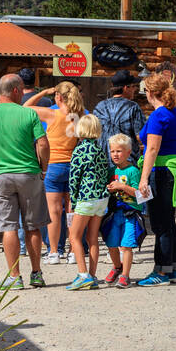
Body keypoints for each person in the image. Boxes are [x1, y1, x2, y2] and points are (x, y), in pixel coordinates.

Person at [0, 74, 50, 289]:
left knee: (8, 227)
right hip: (28, 174)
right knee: (33, 226)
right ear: (15, 90)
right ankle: (36, 273)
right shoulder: (28, 114)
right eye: (22, 89)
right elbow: (42, 144)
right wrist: (43, 168)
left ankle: (15, 277)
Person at [136, 73, 176, 286]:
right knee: (168, 222)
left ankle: (160, 271)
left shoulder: (158, 116)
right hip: (171, 170)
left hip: (160, 171)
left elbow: (152, 148)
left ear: (150, 93)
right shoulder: (173, 112)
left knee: (160, 223)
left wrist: (143, 179)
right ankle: (171, 269)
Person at [26, 81, 83, 265]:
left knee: (54, 211)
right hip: (74, 165)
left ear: (58, 96)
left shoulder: (51, 114)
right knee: (72, 210)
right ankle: (73, 251)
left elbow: (25, 107)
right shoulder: (79, 116)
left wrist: (43, 91)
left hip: (54, 165)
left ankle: (53, 252)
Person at [64, 115, 110, 291]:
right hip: (101, 198)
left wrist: (73, 201)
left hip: (86, 198)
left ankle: (83, 275)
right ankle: (92, 275)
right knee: (92, 238)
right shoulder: (100, 150)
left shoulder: (79, 150)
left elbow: (74, 178)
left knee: (74, 236)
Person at [102, 133, 146, 288]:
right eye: (112, 151)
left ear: (128, 152)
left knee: (126, 245)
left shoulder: (133, 171)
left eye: (119, 151)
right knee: (111, 243)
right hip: (114, 213)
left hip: (130, 214)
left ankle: (125, 276)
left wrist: (122, 186)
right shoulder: (111, 171)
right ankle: (117, 267)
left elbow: (140, 194)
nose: (115, 154)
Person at [92, 69, 147, 162]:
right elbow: (141, 136)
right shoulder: (133, 107)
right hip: (127, 164)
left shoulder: (99, 107)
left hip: (102, 162)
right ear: (126, 87)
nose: (135, 89)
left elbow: (93, 133)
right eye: (133, 86)